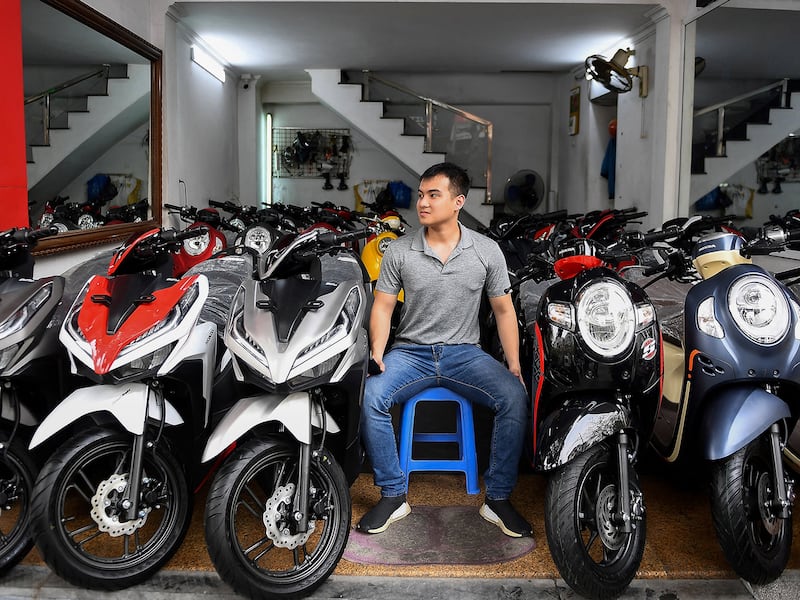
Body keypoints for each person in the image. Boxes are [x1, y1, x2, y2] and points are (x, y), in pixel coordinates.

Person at [357, 162, 532, 538]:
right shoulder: (399, 251)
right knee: (371, 395)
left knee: (514, 396)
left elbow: (504, 310)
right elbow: (383, 306)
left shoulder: (486, 251)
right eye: (421, 195)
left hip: (464, 354)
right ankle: (392, 495)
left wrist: (514, 364)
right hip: (410, 353)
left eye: (433, 195)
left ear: (457, 201)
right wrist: (376, 351)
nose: (422, 202)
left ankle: (497, 499)